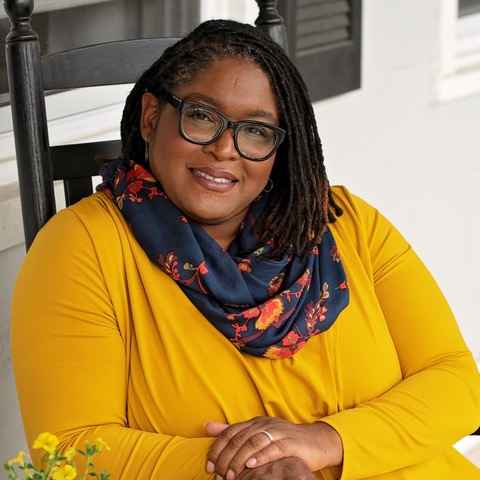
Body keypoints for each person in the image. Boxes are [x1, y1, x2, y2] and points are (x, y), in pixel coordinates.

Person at [11, 19, 480, 480]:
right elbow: (73, 447)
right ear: (152, 116)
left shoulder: (348, 225)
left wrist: (322, 443)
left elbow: (457, 382)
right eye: (202, 116)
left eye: (255, 130)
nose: (224, 149)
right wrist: (259, 469)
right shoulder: (84, 248)